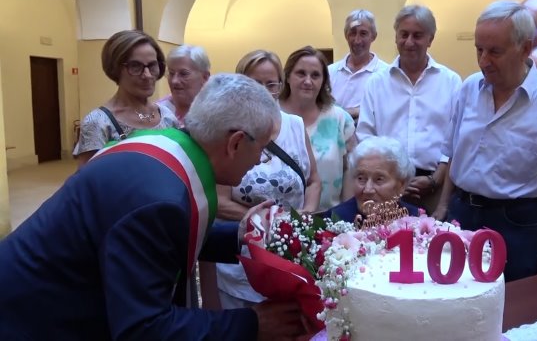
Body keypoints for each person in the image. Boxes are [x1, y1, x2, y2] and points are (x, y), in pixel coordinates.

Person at [0, 74, 307, 340]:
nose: (261, 160)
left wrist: (241, 236)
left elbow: (164, 240)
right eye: (263, 148)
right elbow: (144, 328)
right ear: (235, 143)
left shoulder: (166, 148)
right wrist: (253, 323)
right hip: (30, 322)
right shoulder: (159, 202)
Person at [434, 0, 537, 282]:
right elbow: (455, 153)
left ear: (525, 48)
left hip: (517, 224)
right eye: (479, 49)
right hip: (461, 214)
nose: (483, 61)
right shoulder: (468, 89)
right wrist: (443, 206)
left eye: (495, 52)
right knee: (454, 302)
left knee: (513, 311)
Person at [210, 50, 322, 310]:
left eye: (270, 84)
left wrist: (306, 213)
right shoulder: (227, 131)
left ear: (280, 86)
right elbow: (220, 201)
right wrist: (266, 222)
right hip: (243, 260)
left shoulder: (294, 126)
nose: (263, 91)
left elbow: (314, 180)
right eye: (254, 84)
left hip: (293, 253)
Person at [356, 5, 461, 214]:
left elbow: (457, 138)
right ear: (396, 37)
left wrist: (435, 179)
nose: (409, 42)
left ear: (430, 39)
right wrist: (390, 179)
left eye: (418, 35)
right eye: (404, 34)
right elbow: (366, 136)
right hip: (387, 189)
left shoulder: (451, 82)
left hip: (435, 188)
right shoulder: (376, 83)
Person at [73, 30, 178, 167]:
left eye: (152, 65)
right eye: (135, 66)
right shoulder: (99, 123)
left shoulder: (167, 116)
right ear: (115, 69)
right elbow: (89, 183)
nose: (147, 75)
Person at [280, 46, 357, 213]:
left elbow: (350, 171)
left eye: (315, 75)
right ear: (287, 77)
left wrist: (346, 214)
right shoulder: (271, 117)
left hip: (329, 219)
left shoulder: (340, 119)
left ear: (323, 81)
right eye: (301, 73)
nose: (308, 81)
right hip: (277, 222)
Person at [327, 136, 420, 223]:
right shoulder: (334, 219)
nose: (368, 190)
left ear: (401, 185)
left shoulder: (416, 219)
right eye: (361, 179)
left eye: (379, 179)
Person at [327, 9, 388, 122]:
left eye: (363, 33)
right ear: (346, 36)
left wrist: (350, 112)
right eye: (353, 33)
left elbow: (387, 110)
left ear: (373, 36)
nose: (357, 40)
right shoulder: (330, 72)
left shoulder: (386, 73)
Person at [159, 44, 211, 125]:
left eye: (183, 74)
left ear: (205, 77)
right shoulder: (158, 111)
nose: (174, 81)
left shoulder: (216, 113)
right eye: (171, 73)